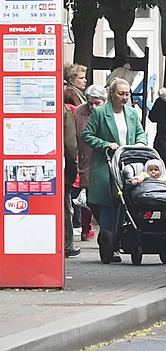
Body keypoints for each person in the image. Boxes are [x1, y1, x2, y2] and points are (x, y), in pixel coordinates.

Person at [82, 78, 148, 262]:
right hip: (106, 164)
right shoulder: (101, 113)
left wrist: (140, 142)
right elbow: (87, 135)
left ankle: (125, 239)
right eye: (121, 93)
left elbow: (140, 132)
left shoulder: (132, 112)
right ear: (112, 93)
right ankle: (109, 244)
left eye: (127, 94)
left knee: (129, 202)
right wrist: (105, 144)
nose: (125, 97)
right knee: (110, 202)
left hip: (128, 163)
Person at [74, 84, 108, 241]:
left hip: (107, 161)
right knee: (90, 199)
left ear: (105, 101)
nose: (93, 106)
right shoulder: (79, 112)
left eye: (97, 103)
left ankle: (107, 230)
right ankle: (95, 229)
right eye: (90, 103)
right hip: (86, 161)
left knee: (107, 199)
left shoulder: (110, 112)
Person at [64, 104, 81, 258]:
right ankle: (67, 245)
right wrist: (72, 171)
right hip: (59, 171)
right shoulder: (64, 110)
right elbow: (70, 145)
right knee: (65, 207)